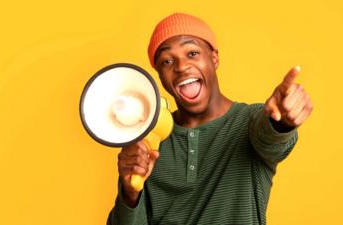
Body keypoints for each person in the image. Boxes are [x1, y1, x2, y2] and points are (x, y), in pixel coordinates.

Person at [107, 12, 312, 225]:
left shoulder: (250, 121)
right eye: (167, 61)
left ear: (214, 58)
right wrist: (131, 192)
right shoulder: (148, 139)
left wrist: (281, 122)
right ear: (159, 74)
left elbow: (270, 140)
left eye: (193, 53)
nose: (181, 66)